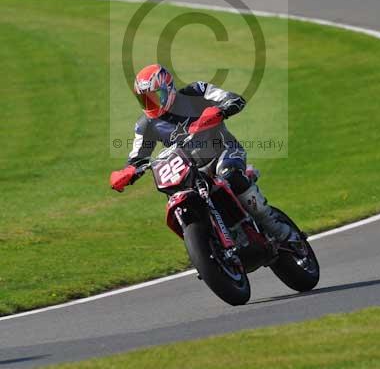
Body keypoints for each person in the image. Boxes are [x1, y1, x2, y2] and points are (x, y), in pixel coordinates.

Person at [110, 64, 299, 245]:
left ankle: (284, 234)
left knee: (231, 177)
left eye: (155, 96)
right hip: (189, 170)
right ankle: (209, 244)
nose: (151, 102)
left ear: (168, 88)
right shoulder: (145, 125)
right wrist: (127, 172)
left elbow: (234, 99)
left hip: (223, 152)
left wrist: (220, 110)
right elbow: (138, 156)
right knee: (181, 200)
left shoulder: (196, 92)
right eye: (145, 99)